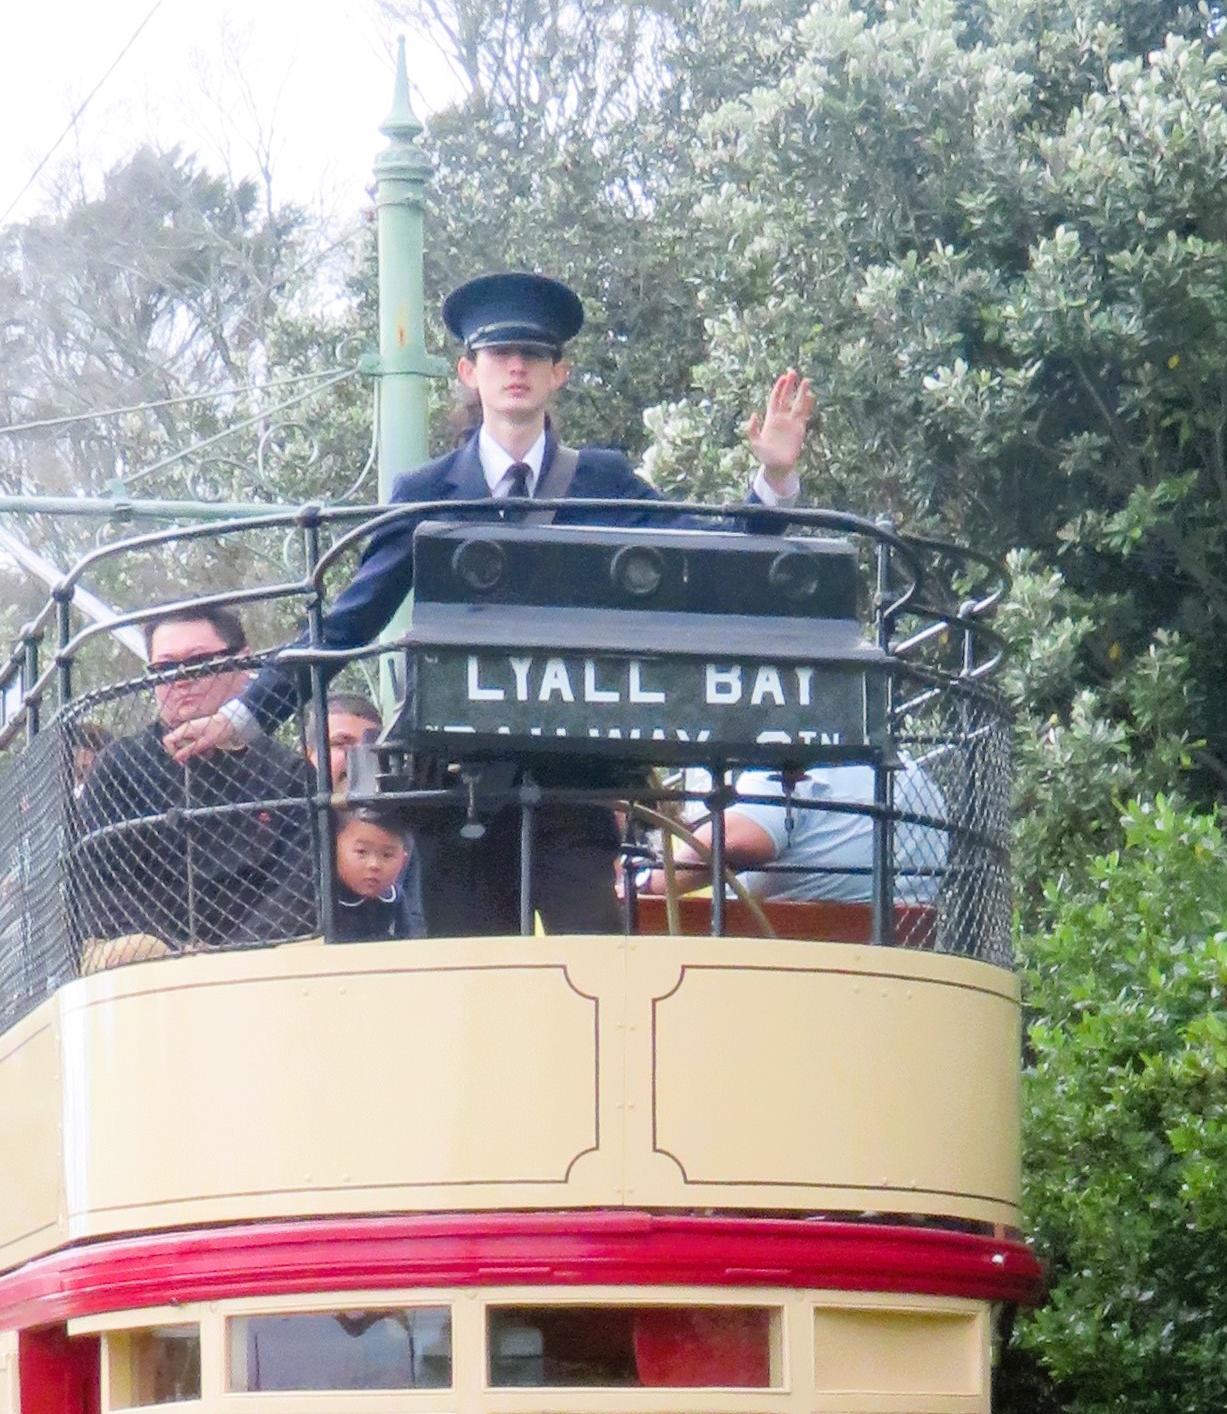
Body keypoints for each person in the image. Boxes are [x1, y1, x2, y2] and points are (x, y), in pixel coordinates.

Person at [163, 271, 820, 934]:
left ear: (557, 373)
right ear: (469, 371)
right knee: (471, 980)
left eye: (532, 355)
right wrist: (246, 714)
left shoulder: (602, 480)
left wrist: (773, 481)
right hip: (459, 791)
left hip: (574, 784)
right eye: (498, 355)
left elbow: (708, 563)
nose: (515, 367)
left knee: (590, 969)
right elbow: (349, 620)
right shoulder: (425, 492)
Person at [69, 603, 312, 953]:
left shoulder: (286, 772)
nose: (181, 679)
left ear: (243, 662)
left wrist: (234, 954)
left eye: (199, 663)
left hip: (262, 963)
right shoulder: (119, 769)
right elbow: (96, 885)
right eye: (165, 667)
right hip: (149, 965)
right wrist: (177, 953)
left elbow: (302, 884)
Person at [682, 755, 951, 915]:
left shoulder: (794, 760)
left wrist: (648, 879)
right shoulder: (914, 775)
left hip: (786, 958)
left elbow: (732, 840)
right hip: (902, 957)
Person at [326, 808, 413, 941]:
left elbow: (409, 942)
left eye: (387, 855)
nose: (374, 865)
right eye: (361, 852)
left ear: (403, 861)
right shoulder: (324, 897)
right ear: (334, 852)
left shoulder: (396, 896)